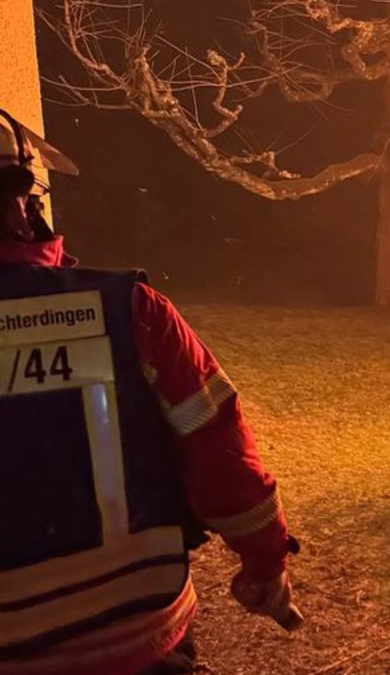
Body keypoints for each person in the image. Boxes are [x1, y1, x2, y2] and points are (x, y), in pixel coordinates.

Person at [0, 108, 301, 675]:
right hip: (136, 634)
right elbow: (219, 445)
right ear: (28, 203)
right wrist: (265, 562)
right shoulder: (131, 312)